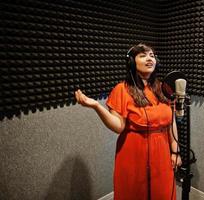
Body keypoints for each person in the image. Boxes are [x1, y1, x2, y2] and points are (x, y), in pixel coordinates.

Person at [75, 43, 182, 200]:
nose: (149, 59)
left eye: (152, 55)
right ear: (132, 62)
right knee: (134, 193)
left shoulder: (163, 88)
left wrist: (175, 150)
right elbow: (119, 126)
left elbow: (171, 122)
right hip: (133, 153)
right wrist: (96, 106)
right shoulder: (122, 89)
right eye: (143, 55)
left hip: (162, 152)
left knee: (163, 192)